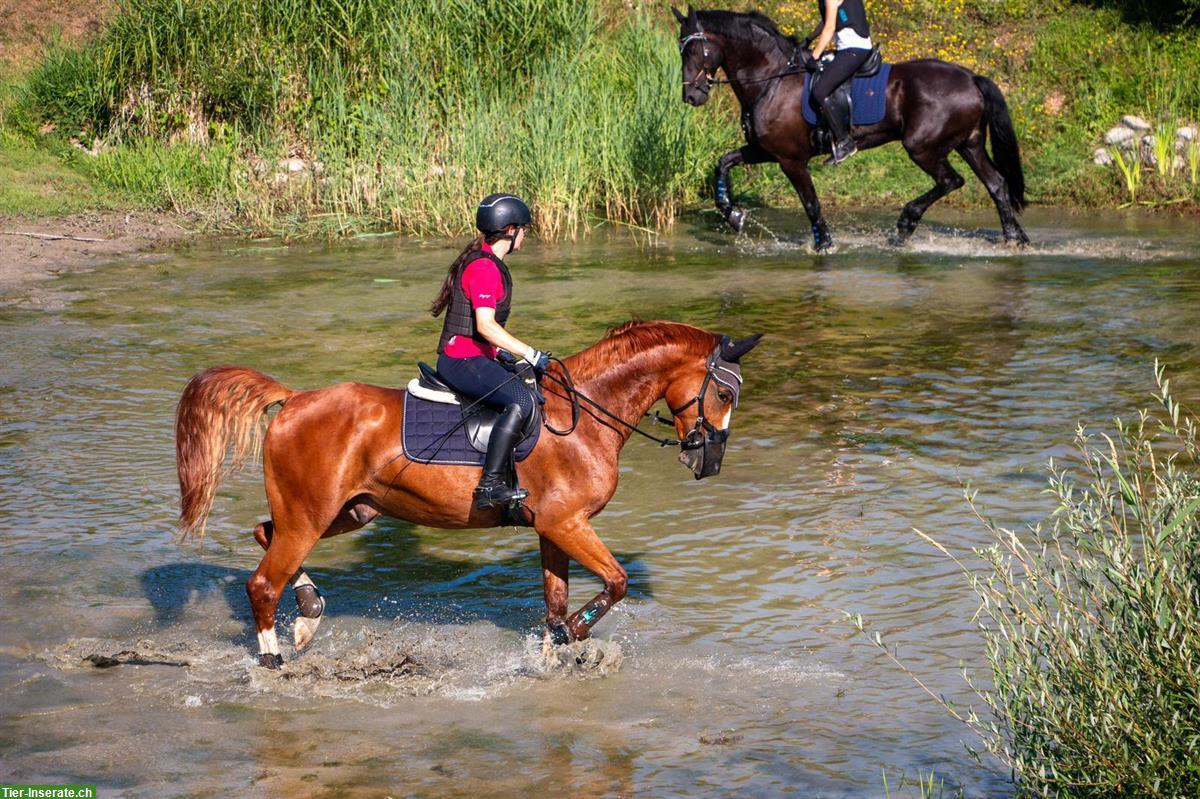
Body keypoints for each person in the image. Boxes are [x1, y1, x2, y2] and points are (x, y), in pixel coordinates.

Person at [430, 193, 549, 510]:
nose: (525, 235)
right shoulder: (484, 269)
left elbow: (480, 331)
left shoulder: (484, 260)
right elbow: (485, 325)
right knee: (521, 401)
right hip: (462, 361)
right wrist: (530, 353)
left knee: (526, 386)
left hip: (475, 355)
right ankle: (490, 485)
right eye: (524, 229)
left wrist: (501, 355)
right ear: (510, 230)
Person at [807, 0, 873, 165]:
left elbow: (829, 28)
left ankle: (845, 141)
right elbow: (827, 21)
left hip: (853, 49)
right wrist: (808, 39)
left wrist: (814, 55)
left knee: (820, 91)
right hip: (850, 47)